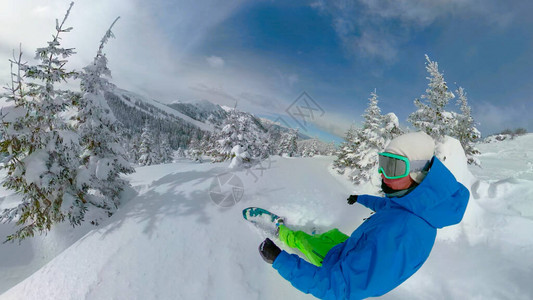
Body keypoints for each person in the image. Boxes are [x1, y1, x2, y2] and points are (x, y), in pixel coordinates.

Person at [258, 131, 469, 299]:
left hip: (340, 266)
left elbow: (339, 288)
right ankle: (317, 236)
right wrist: (359, 198)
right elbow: (387, 206)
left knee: (306, 241)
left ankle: (283, 232)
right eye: (383, 163)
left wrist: (279, 260)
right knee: (331, 235)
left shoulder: (404, 237)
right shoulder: (416, 204)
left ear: (418, 173)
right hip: (351, 248)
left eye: (393, 167)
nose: (382, 173)